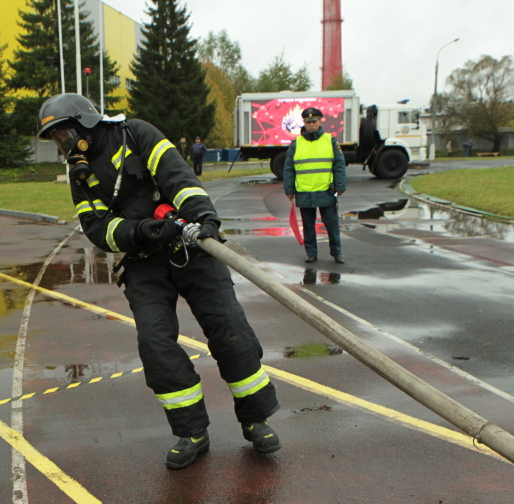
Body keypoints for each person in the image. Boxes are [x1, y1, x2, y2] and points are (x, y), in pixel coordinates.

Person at [37, 93, 281, 470]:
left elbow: (179, 178)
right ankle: (192, 432)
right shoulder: (79, 173)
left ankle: (255, 420)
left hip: (193, 248)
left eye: (64, 135)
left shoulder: (136, 134)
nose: (63, 145)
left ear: (84, 123)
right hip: (144, 261)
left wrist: (205, 219)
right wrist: (146, 231)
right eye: (57, 140)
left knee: (231, 331)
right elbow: (98, 229)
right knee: (154, 343)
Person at [283, 107, 347, 264]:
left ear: (320, 121)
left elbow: (339, 165)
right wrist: (289, 189)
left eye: (314, 121)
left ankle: (337, 253)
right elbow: (289, 168)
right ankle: (311, 253)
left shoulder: (330, 140)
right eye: (308, 121)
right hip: (304, 191)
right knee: (308, 225)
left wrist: (340, 186)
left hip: (326, 190)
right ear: (304, 123)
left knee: (331, 223)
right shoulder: (296, 144)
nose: (311, 124)